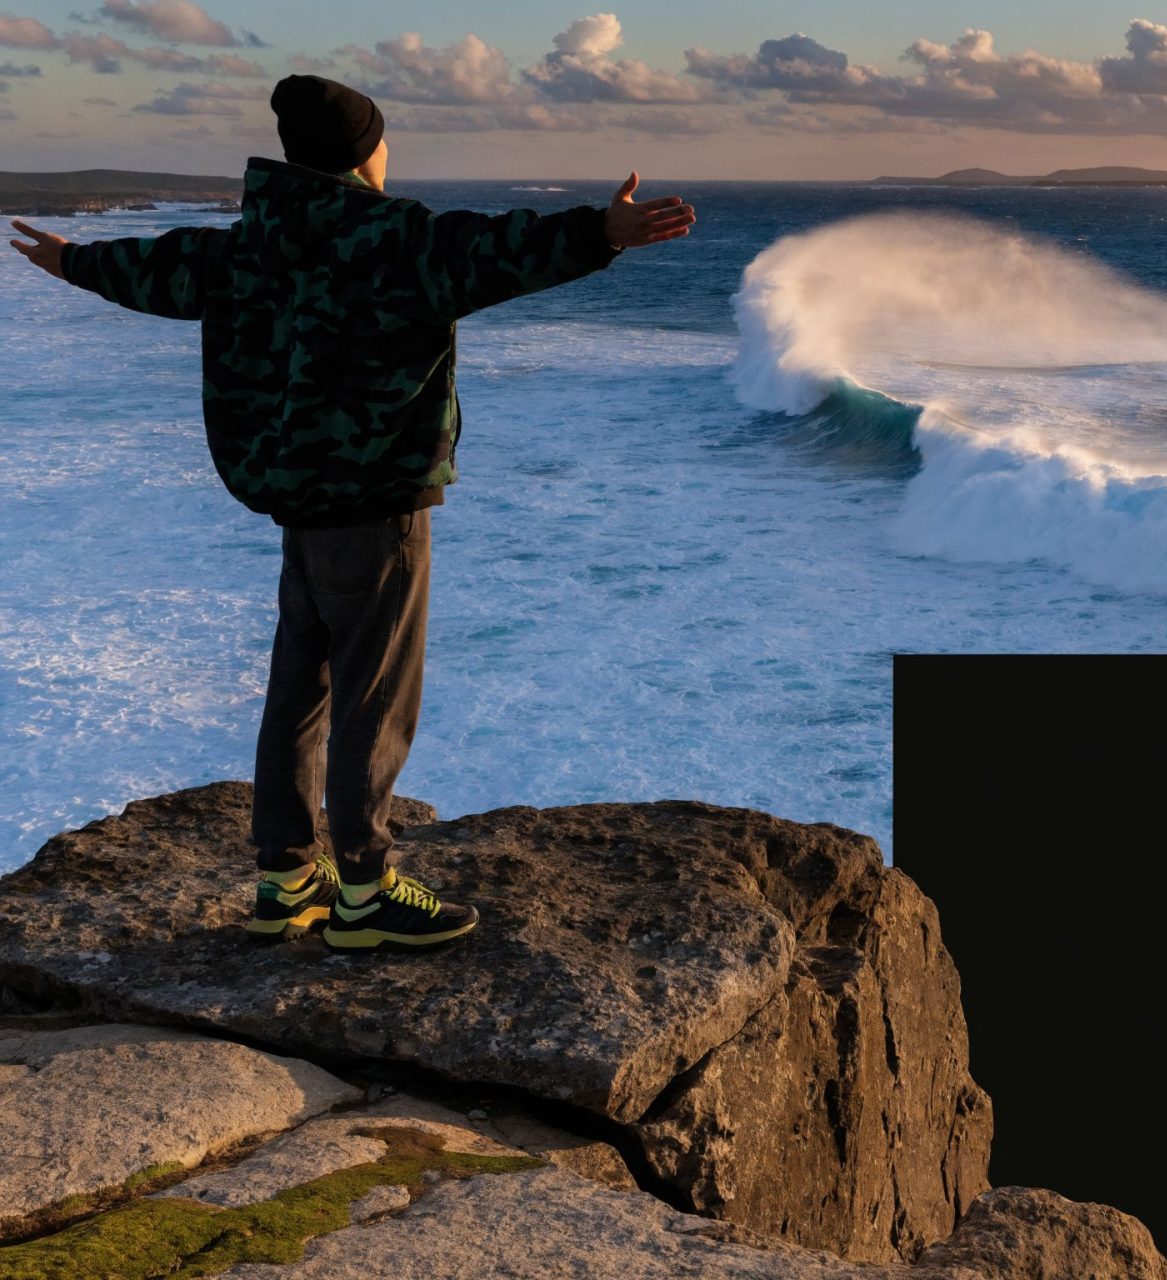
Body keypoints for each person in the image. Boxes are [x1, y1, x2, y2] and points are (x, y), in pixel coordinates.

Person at [6, 75, 695, 952]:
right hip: (375, 507)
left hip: (295, 497)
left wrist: (71, 259)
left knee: (300, 687)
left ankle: (285, 877)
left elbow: (158, 267)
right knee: (373, 695)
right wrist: (601, 232)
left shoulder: (252, 243)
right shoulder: (401, 241)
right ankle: (364, 890)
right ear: (363, 153)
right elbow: (501, 250)